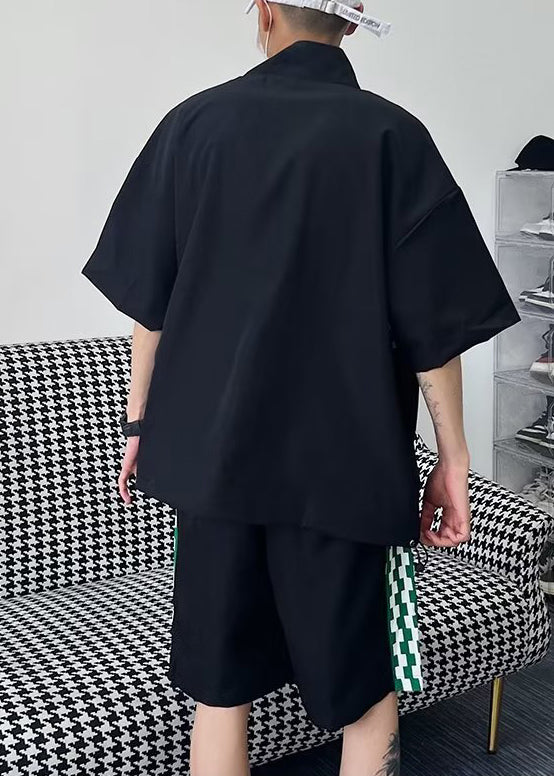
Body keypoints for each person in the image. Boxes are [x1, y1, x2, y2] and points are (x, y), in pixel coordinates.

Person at [81, 1, 521, 774]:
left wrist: (139, 425)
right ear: (352, 23)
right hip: (345, 471)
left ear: (263, 13)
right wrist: (453, 459)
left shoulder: (193, 126)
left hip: (212, 465)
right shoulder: (391, 136)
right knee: (363, 686)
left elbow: (151, 303)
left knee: (220, 689)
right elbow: (435, 331)